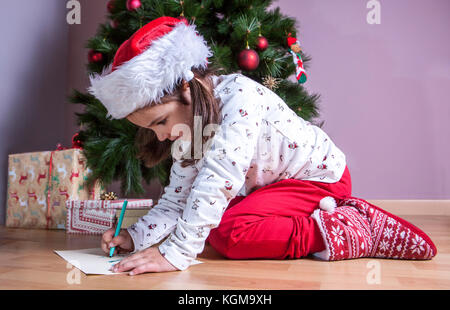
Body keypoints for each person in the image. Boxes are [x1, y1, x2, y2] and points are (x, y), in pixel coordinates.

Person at [89, 17, 436, 275]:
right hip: (275, 186)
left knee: (228, 235)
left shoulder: (238, 97)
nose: (161, 136)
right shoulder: (189, 127)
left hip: (319, 179)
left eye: (160, 122)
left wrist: (176, 254)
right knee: (208, 221)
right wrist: (135, 237)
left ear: (185, 87)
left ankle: (346, 228)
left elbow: (219, 179)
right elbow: (179, 198)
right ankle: (322, 222)